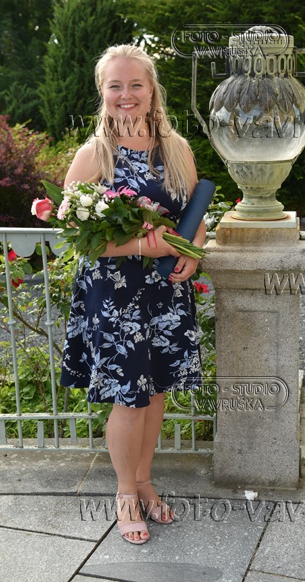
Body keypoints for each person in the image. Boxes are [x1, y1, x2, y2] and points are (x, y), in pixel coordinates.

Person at [60, 44, 206, 545]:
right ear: (102, 92)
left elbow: (195, 214)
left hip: (165, 293)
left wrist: (193, 254)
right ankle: (125, 493)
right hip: (114, 296)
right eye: (115, 86)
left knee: (156, 392)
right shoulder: (93, 156)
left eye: (135, 84)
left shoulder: (176, 149)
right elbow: (78, 238)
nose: (126, 94)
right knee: (129, 398)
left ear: (151, 90)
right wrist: (146, 245)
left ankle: (144, 480)